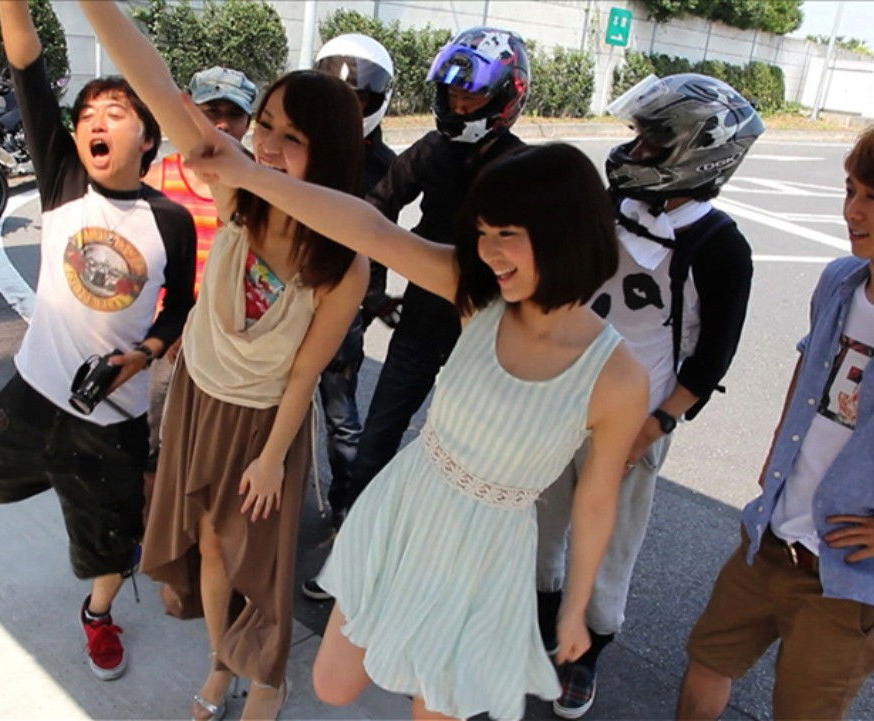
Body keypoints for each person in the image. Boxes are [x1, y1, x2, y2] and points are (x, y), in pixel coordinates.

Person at [188, 129, 650, 719]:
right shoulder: (479, 298)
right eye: (482, 233)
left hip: (486, 553)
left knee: (435, 708)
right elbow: (372, 231)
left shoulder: (618, 379)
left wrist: (575, 608)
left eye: (506, 234)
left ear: (565, 233)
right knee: (333, 684)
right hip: (406, 509)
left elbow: (597, 499)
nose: (488, 252)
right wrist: (250, 175)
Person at [78, 3, 370, 720]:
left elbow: (305, 373)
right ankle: (219, 662)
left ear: (330, 151)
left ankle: (267, 679)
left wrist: (272, 459)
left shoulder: (345, 258)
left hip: (265, 421)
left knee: (259, 569)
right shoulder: (237, 188)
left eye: (291, 137)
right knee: (208, 546)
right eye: (263, 124)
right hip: (198, 399)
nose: (265, 144)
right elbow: (152, 81)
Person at [676, 105, 874, 721]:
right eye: (851, 189)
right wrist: (777, 453)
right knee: (706, 665)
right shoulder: (840, 281)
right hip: (770, 536)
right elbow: (809, 365)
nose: (852, 210)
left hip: (853, 577)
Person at [0, 0, 196, 683]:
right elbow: (26, 61)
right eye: (87, 115)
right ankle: (46, 476)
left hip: (111, 424)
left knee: (110, 546)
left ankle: (98, 613)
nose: (95, 122)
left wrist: (141, 357)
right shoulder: (62, 179)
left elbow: (180, 308)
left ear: (149, 139)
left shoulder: (170, 221)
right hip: (31, 397)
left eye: (115, 113)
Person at [533, 74, 763, 719]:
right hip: (561, 396)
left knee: (608, 541)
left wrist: (657, 423)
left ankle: (586, 651)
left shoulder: (719, 247)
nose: (635, 152)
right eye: (638, 138)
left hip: (636, 417)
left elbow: (712, 356)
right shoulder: (613, 206)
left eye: (653, 143)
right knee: (541, 522)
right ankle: (541, 621)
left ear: (698, 154)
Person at [338, 26, 530, 543]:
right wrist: (373, 291)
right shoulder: (430, 149)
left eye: (472, 96)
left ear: (506, 96)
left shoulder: (522, 167)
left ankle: (438, 549)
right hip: (423, 312)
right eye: (452, 94)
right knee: (380, 431)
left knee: (466, 447)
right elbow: (375, 209)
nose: (459, 105)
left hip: (486, 326)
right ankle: (351, 535)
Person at [302, 32, 399, 602]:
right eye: (335, 97)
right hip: (288, 299)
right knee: (272, 405)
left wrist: (374, 299)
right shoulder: (301, 146)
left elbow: (380, 241)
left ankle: (348, 511)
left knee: (340, 414)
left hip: (346, 306)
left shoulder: (385, 165)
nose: (345, 109)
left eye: (357, 100)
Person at [142, 65, 258, 471]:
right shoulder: (158, 178)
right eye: (211, 112)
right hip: (166, 338)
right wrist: (166, 328)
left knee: (215, 449)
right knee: (153, 440)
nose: (222, 124)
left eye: (234, 114)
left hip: (230, 343)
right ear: (190, 113)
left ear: (248, 122)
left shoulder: (261, 184)